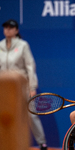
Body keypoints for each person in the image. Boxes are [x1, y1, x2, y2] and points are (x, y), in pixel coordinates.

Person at [0, 19, 48, 150]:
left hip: (22, 87)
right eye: (6, 27)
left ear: (16, 30)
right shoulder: (0, 46)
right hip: (3, 89)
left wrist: (32, 87)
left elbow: (30, 66)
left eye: (11, 27)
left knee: (31, 115)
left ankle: (42, 143)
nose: (8, 30)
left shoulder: (23, 45)